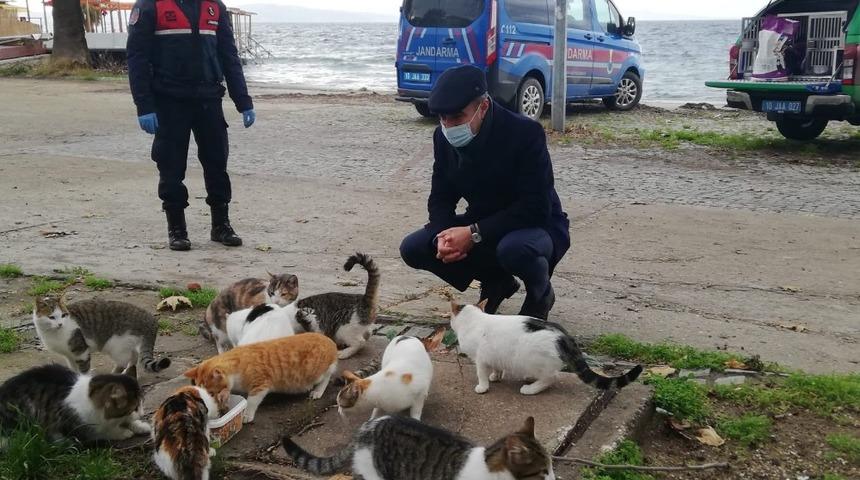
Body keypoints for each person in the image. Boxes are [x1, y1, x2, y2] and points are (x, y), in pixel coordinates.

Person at [399, 65, 570, 320]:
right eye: (441, 117)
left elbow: (536, 206)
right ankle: (497, 282)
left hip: (536, 225)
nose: (448, 125)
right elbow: (441, 197)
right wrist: (442, 236)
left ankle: (540, 293)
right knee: (414, 247)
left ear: (484, 107)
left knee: (514, 249)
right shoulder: (442, 137)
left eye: (457, 117)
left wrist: (474, 233)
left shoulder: (524, 133)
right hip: (482, 220)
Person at [126, 0, 255, 251]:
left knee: (217, 163)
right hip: (169, 101)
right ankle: (177, 229)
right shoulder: (150, 6)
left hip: (209, 98)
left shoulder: (214, 7)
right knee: (171, 167)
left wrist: (243, 101)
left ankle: (221, 225)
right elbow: (137, 57)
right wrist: (144, 105)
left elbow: (229, 55)